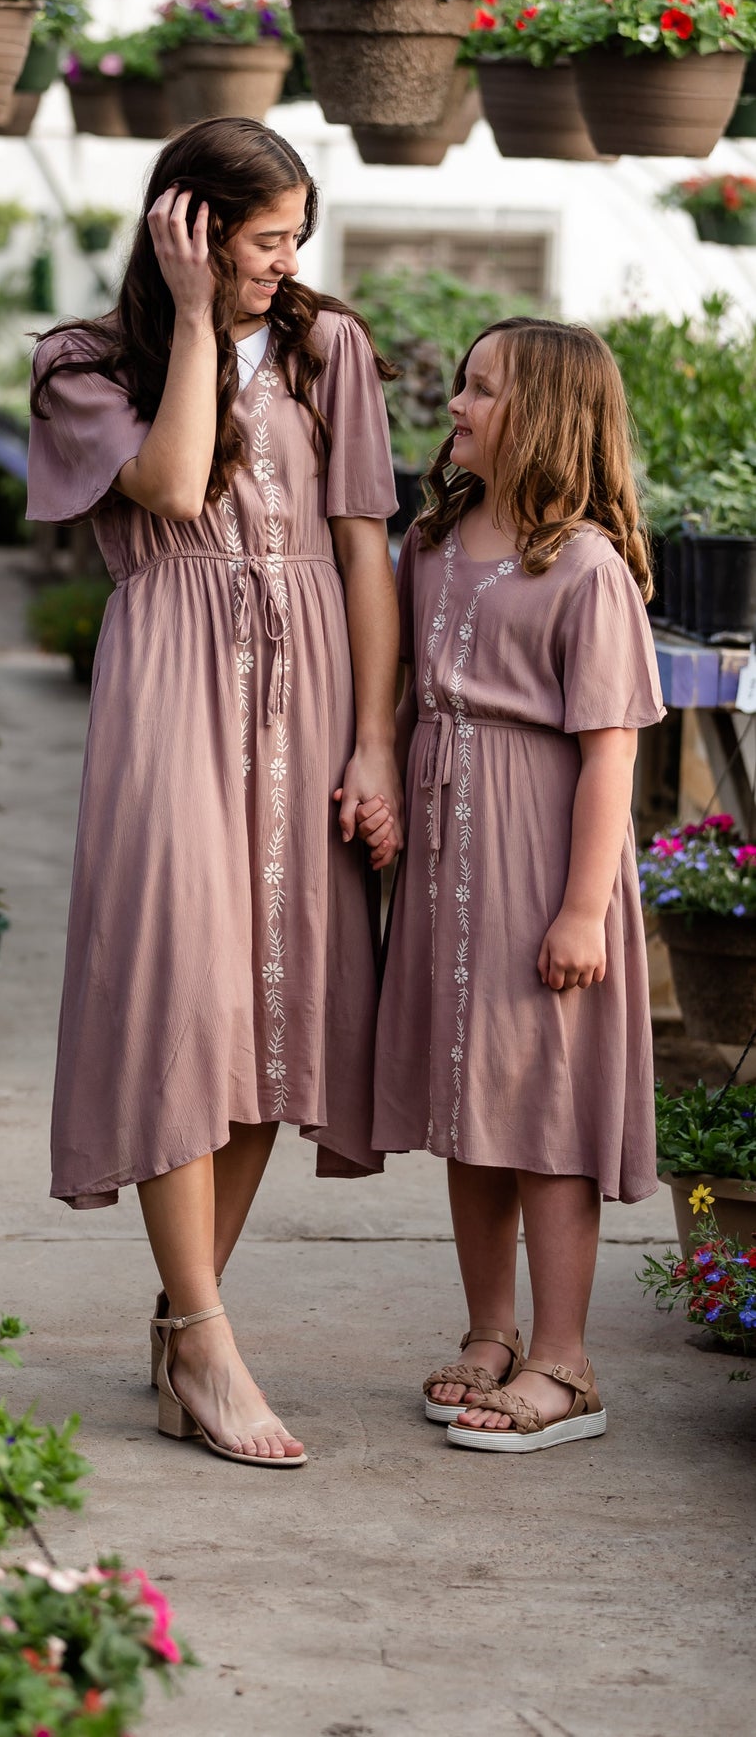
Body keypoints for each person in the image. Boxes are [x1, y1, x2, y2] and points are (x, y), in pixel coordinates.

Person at [25, 118, 401, 1469]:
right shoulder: (81, 365)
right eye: (260, 240)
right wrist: (192, 316)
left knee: (272, 1007)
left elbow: (364, 549)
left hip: (310, 698)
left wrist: (374, 740)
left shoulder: (328, 345)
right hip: (172, 680)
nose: (282, 264)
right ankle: (204, 1331)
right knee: (187, 987)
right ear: (184, 229)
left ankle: (191, 1322)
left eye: (294, 236)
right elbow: (175, 486)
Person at [359, 318, 664, 1453]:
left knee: (542, 1106)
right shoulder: (430, 539)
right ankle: (490, 1332)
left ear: (539, 415)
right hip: (449, 858)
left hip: (541, 861)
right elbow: (396, 693)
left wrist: (582, 907)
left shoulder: (581, 566)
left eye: (480, 390)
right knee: (469, 1100)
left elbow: (609, 755)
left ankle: (565, 1359)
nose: (456, 404)